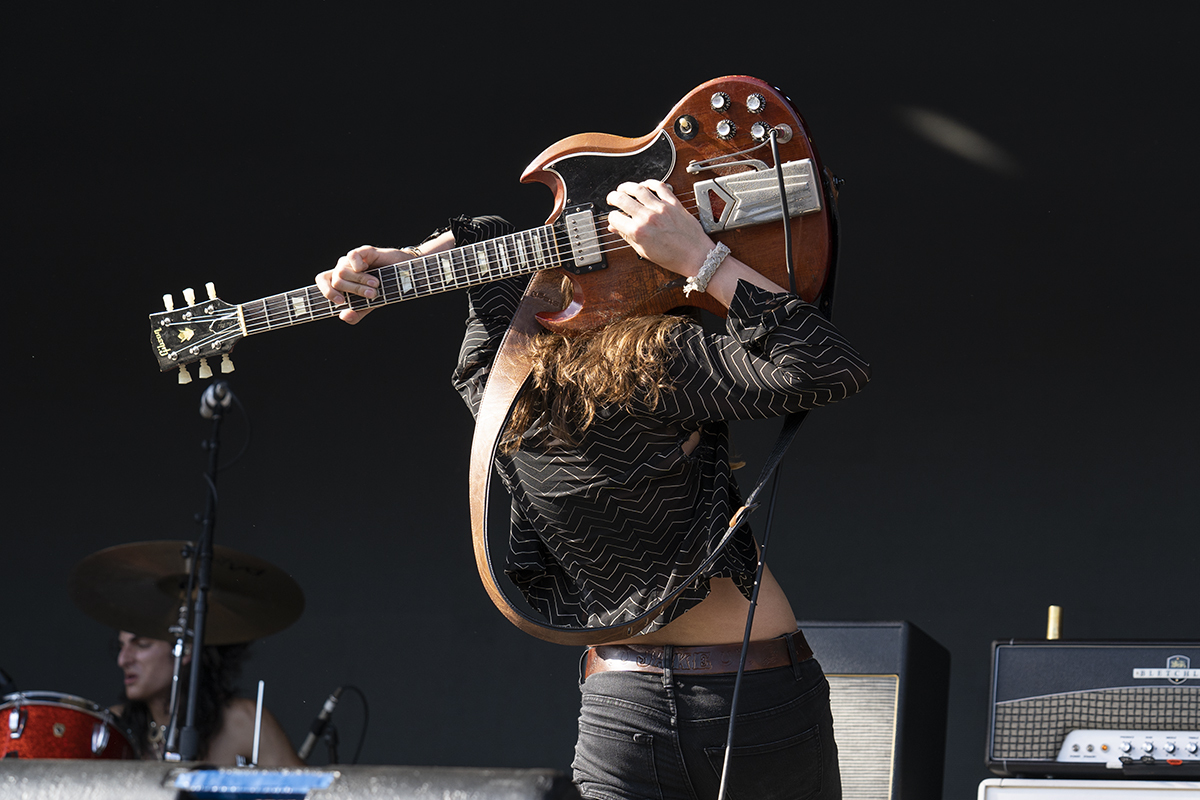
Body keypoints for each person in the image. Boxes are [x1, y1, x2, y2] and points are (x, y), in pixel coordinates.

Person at [316, 179, 869, 799]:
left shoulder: (495, 390)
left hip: (620, 706)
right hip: (750, 691)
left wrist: (411, 265)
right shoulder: (662, 359)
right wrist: (699, 258)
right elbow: (825, 363)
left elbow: (496, 254)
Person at [111, 631, 303, 766]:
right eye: (122, 646)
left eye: (141, 645)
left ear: (185, 649)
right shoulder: (113, 725)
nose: (123, 659)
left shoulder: (244, 720)